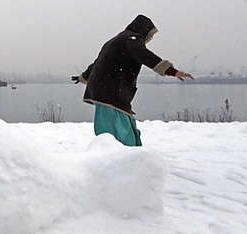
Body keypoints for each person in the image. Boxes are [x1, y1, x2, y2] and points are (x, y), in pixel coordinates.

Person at [73, 14, 193, 146]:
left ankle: (125, 154)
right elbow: (144, 55)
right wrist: (172, 71)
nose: (150, 38)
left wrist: (83, 77)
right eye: (151, 34)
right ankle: (121, 155)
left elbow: (98, 63)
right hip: (110, 91)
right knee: (116, 129)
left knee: (117, 122)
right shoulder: (132, 38)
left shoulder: (116, 40)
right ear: (143, 30)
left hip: (104, 90)